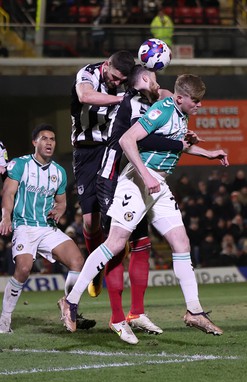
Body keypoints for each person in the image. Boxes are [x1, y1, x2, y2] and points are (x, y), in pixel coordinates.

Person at [58, 74, 228, 341]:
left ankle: (194, 310)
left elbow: (177, 147)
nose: (199, 106)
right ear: (180, 98)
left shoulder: (182, 115)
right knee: (115, 244)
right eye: (196, 101)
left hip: (158, 184)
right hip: (138, 181)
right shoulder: (162, 109)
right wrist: (146, 176)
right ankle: (71, 300)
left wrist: (209, 153)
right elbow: (128, 140)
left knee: (181, 242)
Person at [96, 65, 195, 343]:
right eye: (152, 76)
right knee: (116, 246)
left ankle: (135, 313)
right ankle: (115, 317)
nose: (157, 83)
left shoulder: (156, 103)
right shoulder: (130, 100)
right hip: (115, 176)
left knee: (141, 245)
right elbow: (136, 139)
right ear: (141, 78)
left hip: (139, 177)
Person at [0, 124, 95, 333]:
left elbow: (61, 202)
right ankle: (4, 320)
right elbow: (8, 193)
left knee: (77, 261)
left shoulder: (59, 172)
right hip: (24, 225)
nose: (49, 142)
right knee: (23, 269)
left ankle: (70, 307)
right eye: (44, 138)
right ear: (35, 142)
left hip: (47, 228)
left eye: (52, 139)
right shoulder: (20, 165)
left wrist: (60, 210)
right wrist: (5, 216)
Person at [71, 50, 135, 297]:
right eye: (115, 77)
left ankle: (112, 253)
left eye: (122, 80)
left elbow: (153, 91)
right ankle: (96, 267)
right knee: (89, 222)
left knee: (114, 214)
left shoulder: (127, 81)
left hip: (112, 149)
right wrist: (121, 100)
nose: (117, 83)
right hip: (85, 151)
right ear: (106, 65)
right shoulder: (88, 73)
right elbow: (84, 95)